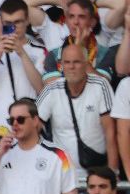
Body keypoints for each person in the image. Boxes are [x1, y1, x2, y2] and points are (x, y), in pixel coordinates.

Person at [36, 43, 117, 176]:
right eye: (67, 62)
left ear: (86, 64)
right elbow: (32, 126)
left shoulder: (101, 85)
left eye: (76, 62)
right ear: (61, 66)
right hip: (62, 173)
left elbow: (111, 132)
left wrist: (113, 171)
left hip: (95, 172)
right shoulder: (51, 89)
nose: (71, 67)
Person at [0, 0, 47, 153]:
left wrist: (21, 53)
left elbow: (41, 88)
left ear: (27, 21)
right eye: (8, 24)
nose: (13, 28)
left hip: (27, 130)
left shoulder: (39, 50)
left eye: (18, 22)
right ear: (1, 23)